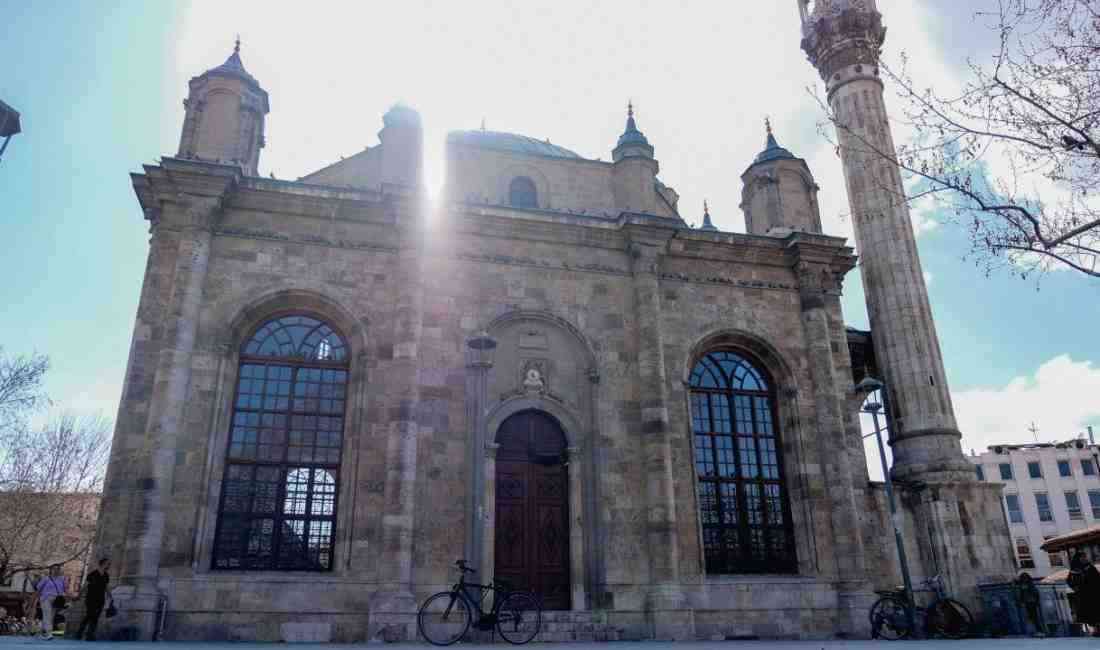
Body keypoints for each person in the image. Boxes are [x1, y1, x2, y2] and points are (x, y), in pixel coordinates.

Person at [76, 558, 110, 641]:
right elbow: (85, 586)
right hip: (91, 598)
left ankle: (90, 634)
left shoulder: (106, 575)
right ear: (102, 563)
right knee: (89, 615)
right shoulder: (92, 574)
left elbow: (106, 586)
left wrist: (110, 595)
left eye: (109, 564)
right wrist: (79, 595)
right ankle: (80, 633)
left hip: (100, 598)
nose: (109, 565)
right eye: (107, 563)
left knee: (96, 616)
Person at [1069, 551, 1100, 636]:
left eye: (1085, 557)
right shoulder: (1075, 569)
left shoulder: (1090, 567)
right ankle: (1093, 629)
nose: (1084, 559)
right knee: (1088, 613)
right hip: (1083, 595)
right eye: (1082, 557)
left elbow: (1097, 578)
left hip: (1094, 594)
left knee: (1096, 612)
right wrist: (1075, 587)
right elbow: (1070, 581)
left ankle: (1097, 629)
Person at [35, 565, 67, 641]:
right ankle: (49, 634)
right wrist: (35, 600)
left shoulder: (62, 579)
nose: (56, 570)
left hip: (56, 599)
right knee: (47, 615)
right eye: (54, 569)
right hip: (46, 598)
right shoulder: (46, 578)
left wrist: (65, 597)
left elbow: (64, 590)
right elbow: (38, 589)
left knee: (50, 616)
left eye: (58, 569)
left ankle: (42, 632)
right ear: (51, 570)